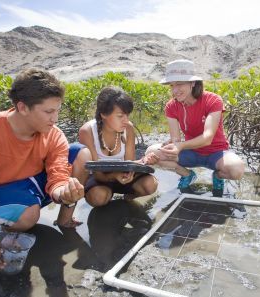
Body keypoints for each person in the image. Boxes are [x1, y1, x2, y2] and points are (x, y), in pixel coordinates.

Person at [0, 68, 91, 270]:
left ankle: (63, 218)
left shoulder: (54, 135)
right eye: (48, 112)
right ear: (23, 107)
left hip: (32, 184)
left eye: (58, 110)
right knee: (28, 216)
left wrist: (65, 193)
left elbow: (57, 176)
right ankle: (7, 226)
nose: (55, 119)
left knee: (81, 153)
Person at [146, 59, 245, 197]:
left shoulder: (213, 100)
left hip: (215, 153)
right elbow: (176, 139)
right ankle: (187, 175)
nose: (175, 90)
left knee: (237, 169)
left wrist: (180, 146)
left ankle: (218, 176)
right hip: (191, 152)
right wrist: (173, 145)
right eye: (172, 85)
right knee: (152, 152)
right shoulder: (171, 106)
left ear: (193, 83)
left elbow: (207, 138)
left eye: (179, 84)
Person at [71, 86, 158, 209]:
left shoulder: (128, 128)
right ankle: (107, 204)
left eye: (127, 115)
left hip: (122, 175)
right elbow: (96, 173)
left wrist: (144, 161)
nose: (126, 120)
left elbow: (129, 163)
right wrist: (114, 175)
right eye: (120, 116)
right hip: (100, 179)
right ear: (103, 114)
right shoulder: (87, 131)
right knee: (98, 197)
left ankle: (129, 197)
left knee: (150, 184)